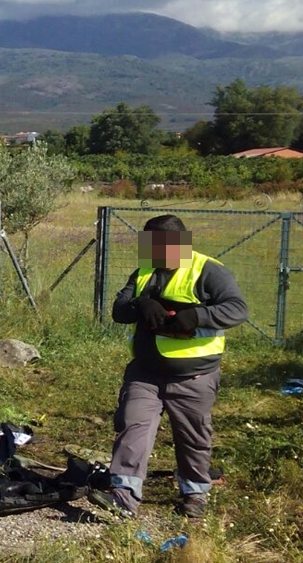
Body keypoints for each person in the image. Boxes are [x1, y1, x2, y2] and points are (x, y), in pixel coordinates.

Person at [89, 214, 248, 520]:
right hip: (145, 373)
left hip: (195, 376)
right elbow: (119, 311)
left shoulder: (208, 271)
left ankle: (195, 493)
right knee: (132, 425)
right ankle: (123, 496)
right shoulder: (144, 272)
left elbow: (237, 309)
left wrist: (198, 317)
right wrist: (140, 304)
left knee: (193, 437)